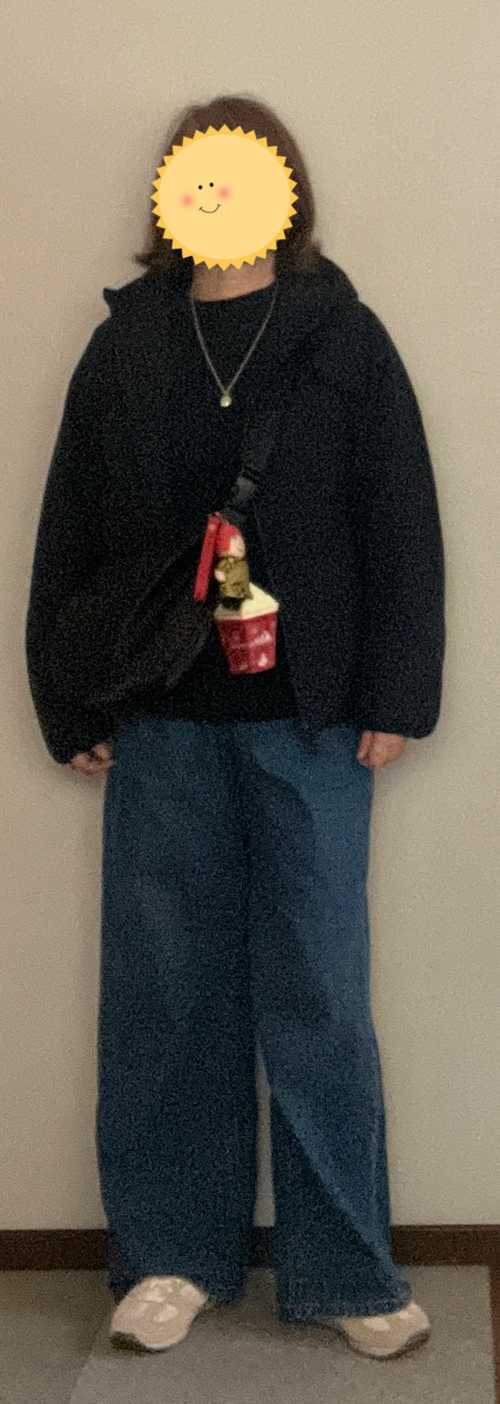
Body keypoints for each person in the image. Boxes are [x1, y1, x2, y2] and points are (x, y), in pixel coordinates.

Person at [25, 93, 446, 1361]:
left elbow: (398, 519)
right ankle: (168, 1257)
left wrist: (395, 693)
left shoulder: (342, 336)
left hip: (309, 725)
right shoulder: (126, 345)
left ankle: (345, 1271)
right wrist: (66, 699)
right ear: (170, 197)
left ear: (282, 191)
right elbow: (68, 527)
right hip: (160, 725)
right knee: (165, 998)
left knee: (318, 996)